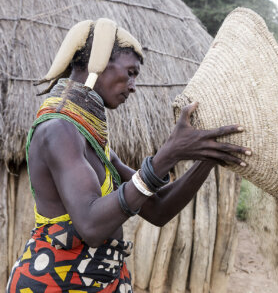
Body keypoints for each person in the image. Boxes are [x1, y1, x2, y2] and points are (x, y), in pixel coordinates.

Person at [6, 18, 250, 292]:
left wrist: (208, 155)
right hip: (54, 283)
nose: (133, 86)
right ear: (97, 63)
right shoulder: (58, 130)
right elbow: (91, 227)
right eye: (130, 72)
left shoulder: (93, 141)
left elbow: (158, 209)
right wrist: (167, 156)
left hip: (102, 282)